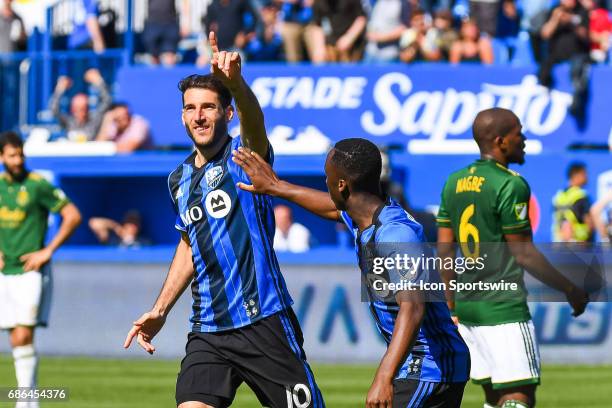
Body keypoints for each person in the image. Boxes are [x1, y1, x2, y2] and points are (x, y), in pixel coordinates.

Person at [123, 32, 324, 408]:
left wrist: (235, 84)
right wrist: (161, 309)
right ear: (182, 115)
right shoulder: (177, 180)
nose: (198, 116)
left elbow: (255, 120)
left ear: (227, 113)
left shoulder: (244, 156)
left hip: (263, 321)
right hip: (209, 330)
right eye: (190, 108)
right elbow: (189, 245)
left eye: (209, 107)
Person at [231, 139, 470, 407]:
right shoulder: (365, 214)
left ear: (342, 185)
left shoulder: (396, 234)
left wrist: (384, 376)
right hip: (420, 363)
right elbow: (332, 207)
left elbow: (413, 307)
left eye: (328, 177)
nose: (326, 182)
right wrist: (276, 187)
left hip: (430, 365)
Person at [436, 108, 589, 408]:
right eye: (519, 133)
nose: (525, 139)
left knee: (494, 397)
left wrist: (451, 301)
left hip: (469, 309)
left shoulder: (453, 182)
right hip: (502, 308)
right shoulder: (510, 184)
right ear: (500, 141)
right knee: (519, 396)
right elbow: (523, 253)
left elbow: (444, 249)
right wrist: (570, 289)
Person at [0, 131, 81, 408]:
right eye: (12, 155)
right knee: (14, 334)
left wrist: (47, 250)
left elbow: (72, 215)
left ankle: (26, 400)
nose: (18, 160)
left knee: (24, 332)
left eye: (20, 154)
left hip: (30, 270)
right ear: (2, 157)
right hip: (4, 271)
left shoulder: (37, 185)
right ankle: (29, 397)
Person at [539, 0, 590, 118]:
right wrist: (555, 19)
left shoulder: (581, 11)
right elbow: (545, 34)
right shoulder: (554, 10)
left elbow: (585, 37)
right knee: (544, 64)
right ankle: (544, 89)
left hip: (577, 54)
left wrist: (572, 21)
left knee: (578, 66)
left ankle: (576, 97)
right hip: (556, 54)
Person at [48, 68, 112, 142]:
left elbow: (107, 101)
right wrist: (59, 89)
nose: (81, 112)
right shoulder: (68, 121)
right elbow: (54, 110)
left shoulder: (94, 120)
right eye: (77, 108)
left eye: (83, 108)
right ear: (72, 109)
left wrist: (99, 82)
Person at [552, 162, 594, 242]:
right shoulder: (581, 196)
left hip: (559, 243)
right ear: (576, 175)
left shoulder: (559, 196)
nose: (587, 177)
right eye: (584, 174)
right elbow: (589, 222)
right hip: (579, 245)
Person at [142, 0, 191, 66]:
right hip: (152, 23)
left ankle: (171, 75)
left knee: (170, 59)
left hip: (170, 23)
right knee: (154, 58)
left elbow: (185, 2)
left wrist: (185, 22)